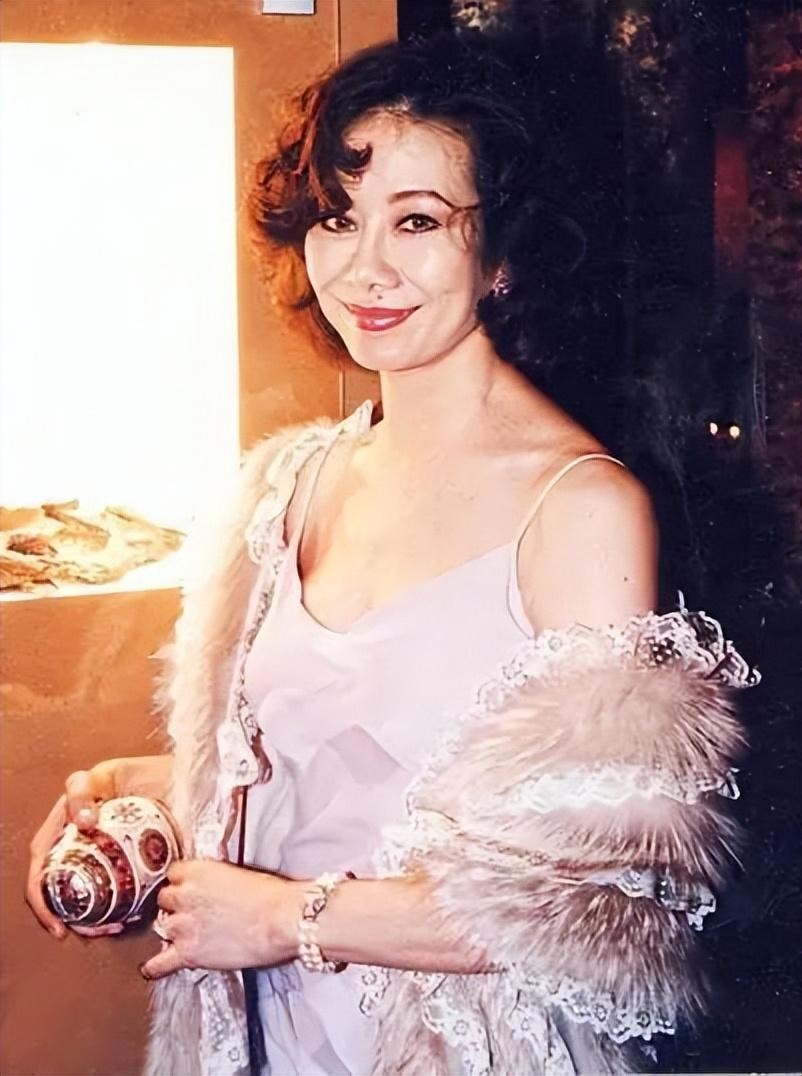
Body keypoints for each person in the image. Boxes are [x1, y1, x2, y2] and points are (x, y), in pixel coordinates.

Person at [27, 33, 757, 1076]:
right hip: (263, 1034)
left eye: (417, 221)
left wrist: (286, 917)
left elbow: (602, 902)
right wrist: (136, 793)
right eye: (338, 216)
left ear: (502, 252)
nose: (365, 266)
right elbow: (327, 770)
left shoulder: (579, 509)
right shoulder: (290, 481)